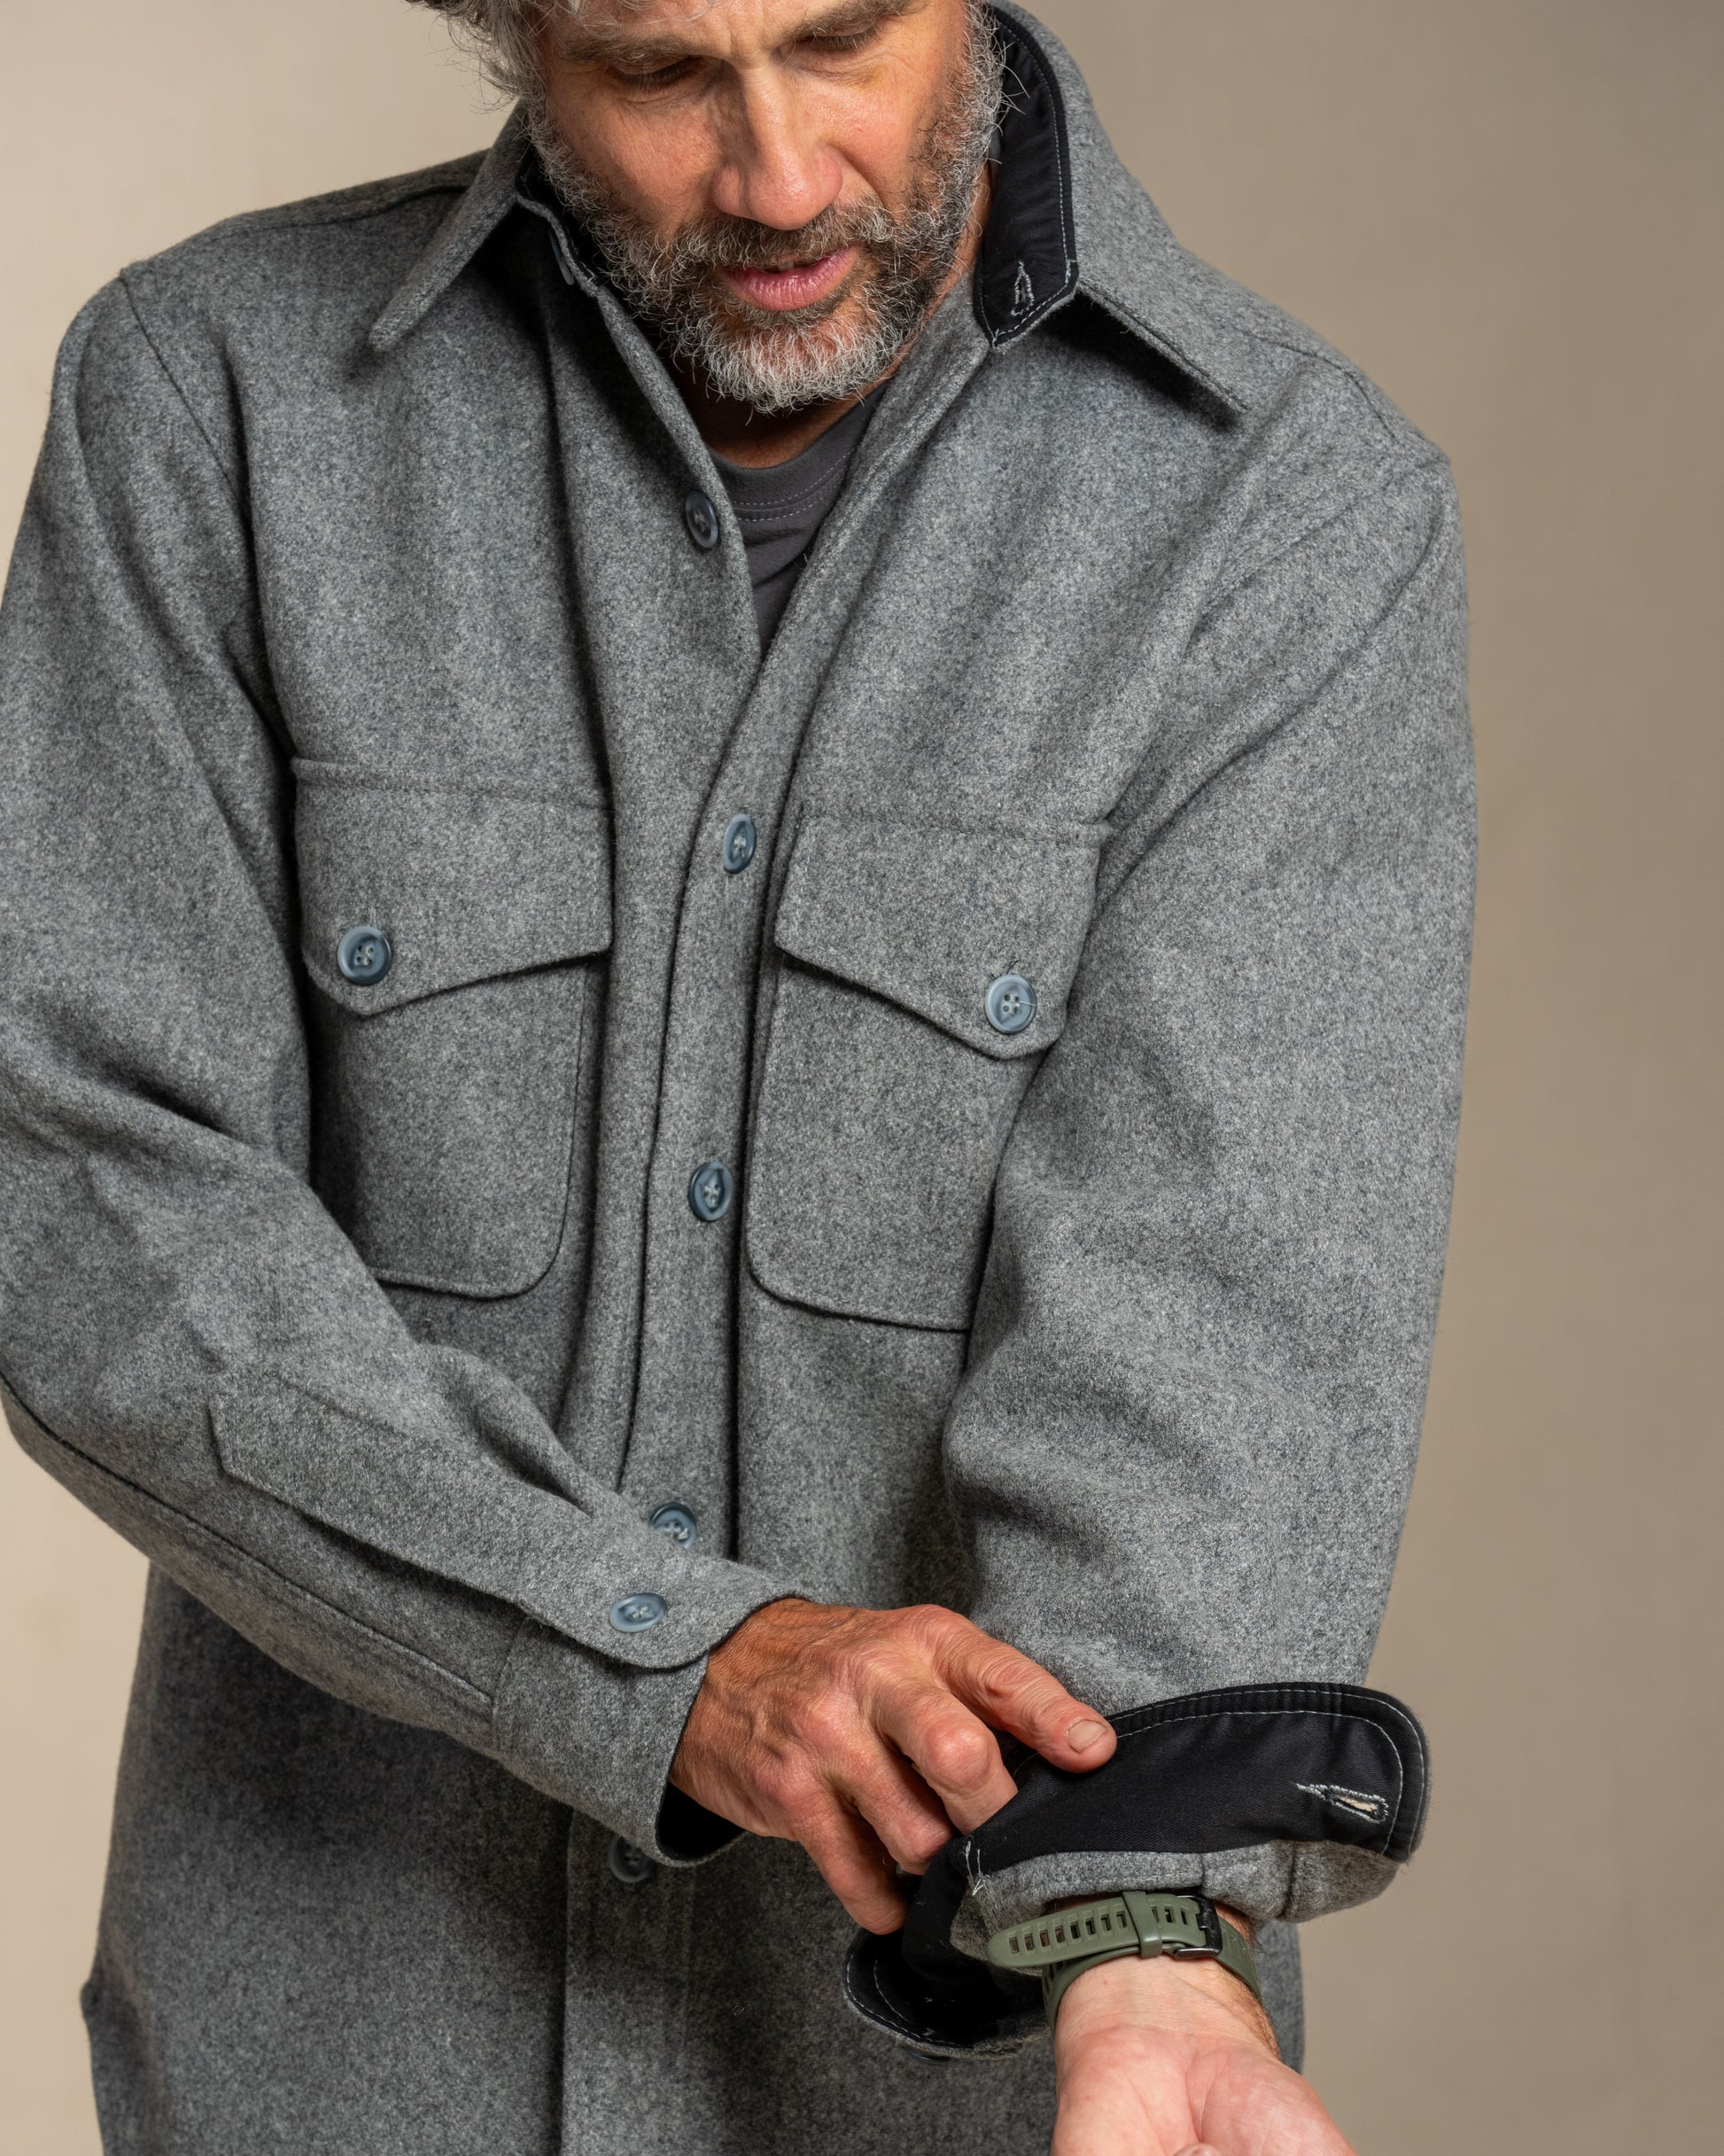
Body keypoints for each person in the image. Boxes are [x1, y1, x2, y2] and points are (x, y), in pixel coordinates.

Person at [0, 2, 1473, 2151]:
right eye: (659, 73)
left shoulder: (1289, 521)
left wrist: (1140, 1928)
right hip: (313, 2066)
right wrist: (675, 1661)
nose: (780, 178)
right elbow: (86, 1190)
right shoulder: (211, 400)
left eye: (840, 41)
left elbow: (1214, 1324)